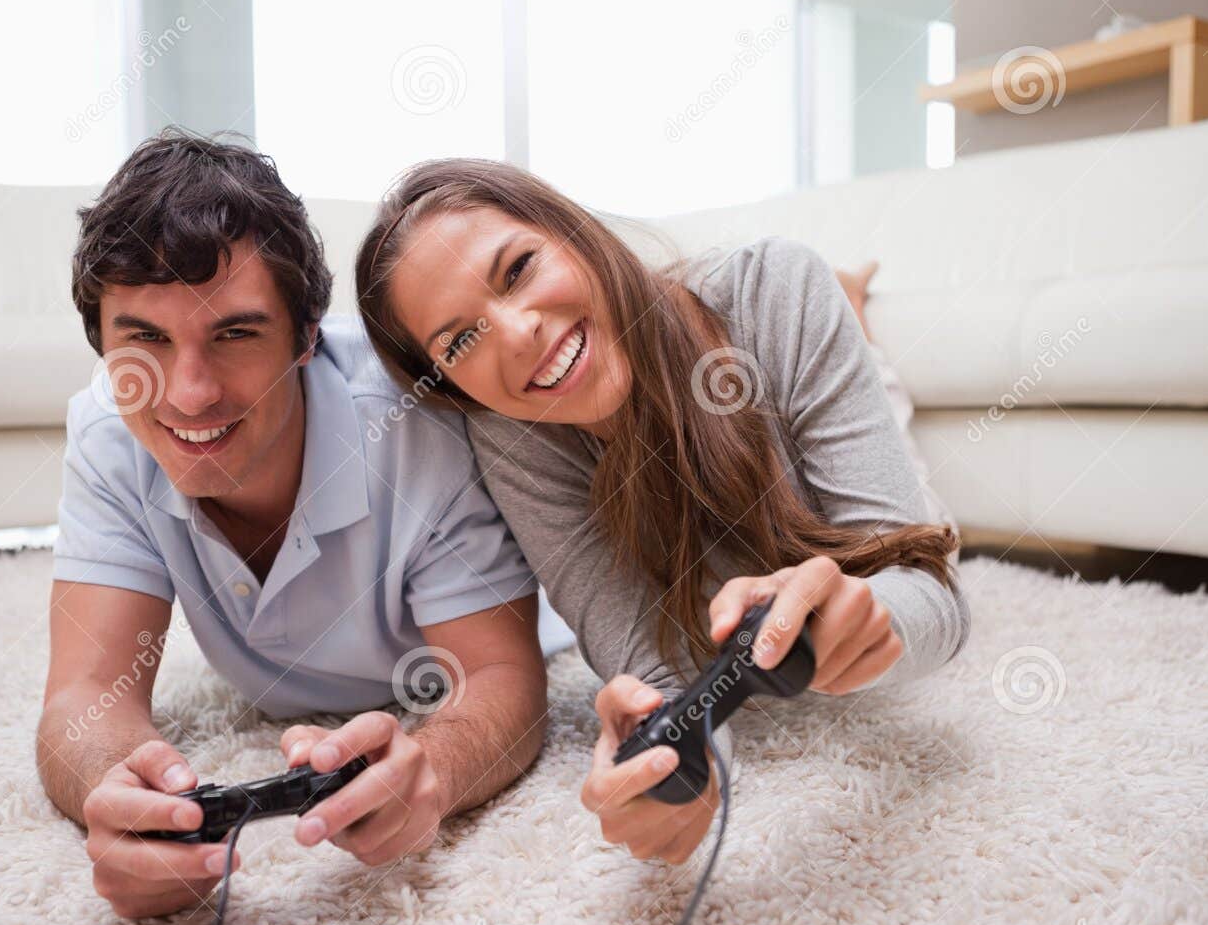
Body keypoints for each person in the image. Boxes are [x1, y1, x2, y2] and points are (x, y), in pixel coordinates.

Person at [356, 159, 968, 867]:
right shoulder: (510, 434)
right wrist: (677, 754)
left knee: (884, 396)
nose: (518, 332)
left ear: (576, 231)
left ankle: (851, 301)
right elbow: (652, 673)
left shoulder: (776, 292)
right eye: (459, 340)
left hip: (798, 423)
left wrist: (867, 614)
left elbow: (935, 594)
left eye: (519, 268)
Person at [38, 133, 548, 919]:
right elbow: (83, 693)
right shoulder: (110, 428)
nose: (190, 393)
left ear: (307, 334)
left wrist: (432, 772)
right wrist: (113, 788)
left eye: (235, 334)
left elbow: (501, 680)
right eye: (145, 339)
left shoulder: (415, 427)